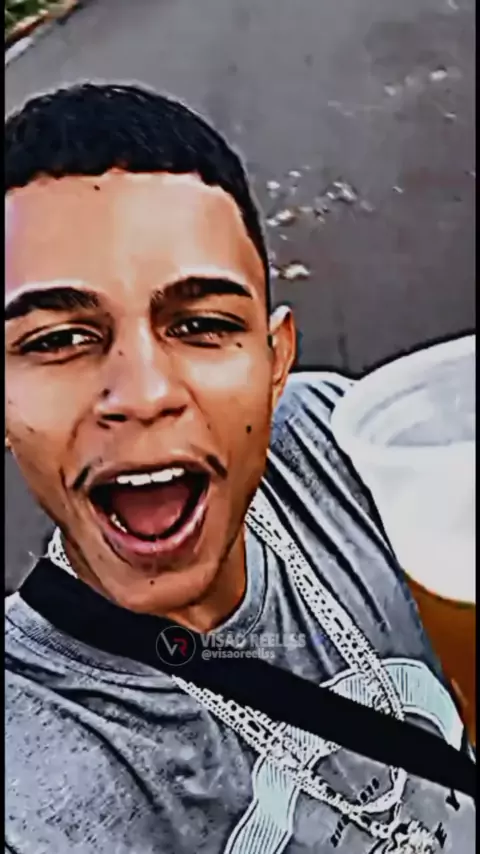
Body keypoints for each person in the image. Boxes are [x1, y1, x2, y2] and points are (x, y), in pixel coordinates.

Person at [5, 83, 474, 854]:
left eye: (201, 324)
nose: (145, 394)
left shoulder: (343, 445)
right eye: (57, 340)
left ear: (274, 361)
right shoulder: (33, 764)